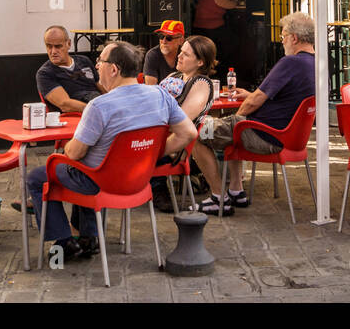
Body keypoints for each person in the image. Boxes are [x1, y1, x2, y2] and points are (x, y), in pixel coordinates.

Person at [26, 40, 197, 261]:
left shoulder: (99, 106)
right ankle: (89, 237)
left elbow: (73, 154)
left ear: (114, 69)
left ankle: (64, 240)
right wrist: (150, 152)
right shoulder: (160, 95)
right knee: (87, 164)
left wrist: (68, 145)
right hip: (139, 180)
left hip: (100, 183)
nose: (96, 66)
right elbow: (189, 133)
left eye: (100, 61)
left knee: (40, 176)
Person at [195, 12, 317, 216]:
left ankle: (218, 197)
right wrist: (247, 103)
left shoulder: (290, 63)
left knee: (196, 130)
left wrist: (237, 120)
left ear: (294, 38)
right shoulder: (317, 64)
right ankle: (236, 190)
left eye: (283, 36)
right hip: (290, 136)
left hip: (264, 136)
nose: (282, 41)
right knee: (229, 130)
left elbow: (254, 102)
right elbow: (282, 100)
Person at [150, 34, 217, 212]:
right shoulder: (175, 76)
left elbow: (183, 119)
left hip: (176, 146)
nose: (179, 55)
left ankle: (157, 190)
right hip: (161, 136)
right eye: (181, 51)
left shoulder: (202, 83)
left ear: (201, 62)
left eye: (186, 55)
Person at [35, 25, 101, 113]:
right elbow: (65, 105)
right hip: (77, 117)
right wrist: (99, 110)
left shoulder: (84, 61)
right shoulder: (45, 73)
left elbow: (102, 88)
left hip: (99, 105)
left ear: (69, 44)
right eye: (49, 46)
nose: (53, 52)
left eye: (58, 46)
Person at [193, 0, 242, 67]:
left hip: (200, 28)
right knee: (234, 41)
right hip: (213, 28)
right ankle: (222, 65)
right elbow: (231, 5)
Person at [143, 19, 185, 84]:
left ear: (181, 40)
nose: (164, 41)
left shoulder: (187, 54)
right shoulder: (152, 55)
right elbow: (151, 88)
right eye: (161, 36)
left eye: (169, 38)